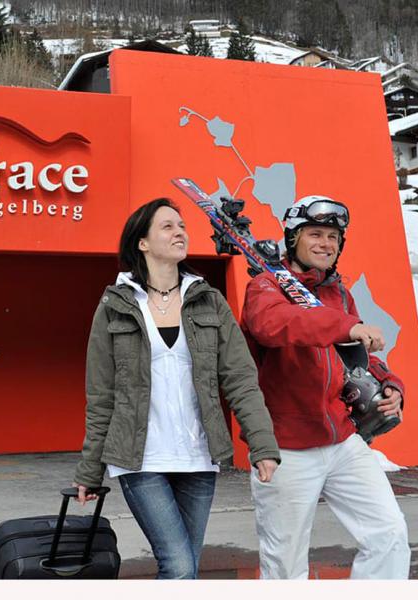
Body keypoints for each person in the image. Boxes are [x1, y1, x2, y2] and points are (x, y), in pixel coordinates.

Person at [73, 198, 280, 579]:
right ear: (142, 243)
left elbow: (240, 379)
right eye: (167, 226)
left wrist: (261, 444)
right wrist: (90, 470)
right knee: (180, 566)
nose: (179, 232)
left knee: (188, 568)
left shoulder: (208, 301)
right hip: (140, 459)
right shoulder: (115, 305)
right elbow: (101, 394)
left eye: (182, 225)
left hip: (198, 457)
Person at [241, 195, 410, 579]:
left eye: (333, 236)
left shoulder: (338, 293)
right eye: (315, 233)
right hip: (287, 446)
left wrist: (390, 385)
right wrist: (344, 325)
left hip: (342, 440)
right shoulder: (266, 287)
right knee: (285, 561)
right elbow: (276, 325)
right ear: (293, 238)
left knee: (389, 533)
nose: (326, 243)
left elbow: (360, 355)